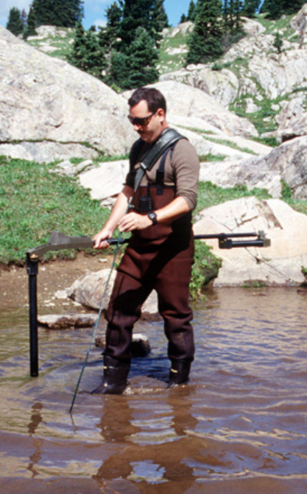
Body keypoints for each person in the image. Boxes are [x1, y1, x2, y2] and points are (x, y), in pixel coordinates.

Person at [92, 87, 200, 394]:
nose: (137, 128)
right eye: (132, 122)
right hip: (138, 249)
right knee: (118, 313)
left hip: (173, 251)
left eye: (141, 121)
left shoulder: (182, 150)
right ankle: (111, 384)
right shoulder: (138, 149)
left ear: (160, 114)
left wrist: (149, 218)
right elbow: (127, 193)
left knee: (176, 318)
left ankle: (179, 386)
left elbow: (187, 200)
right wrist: (107, 228)